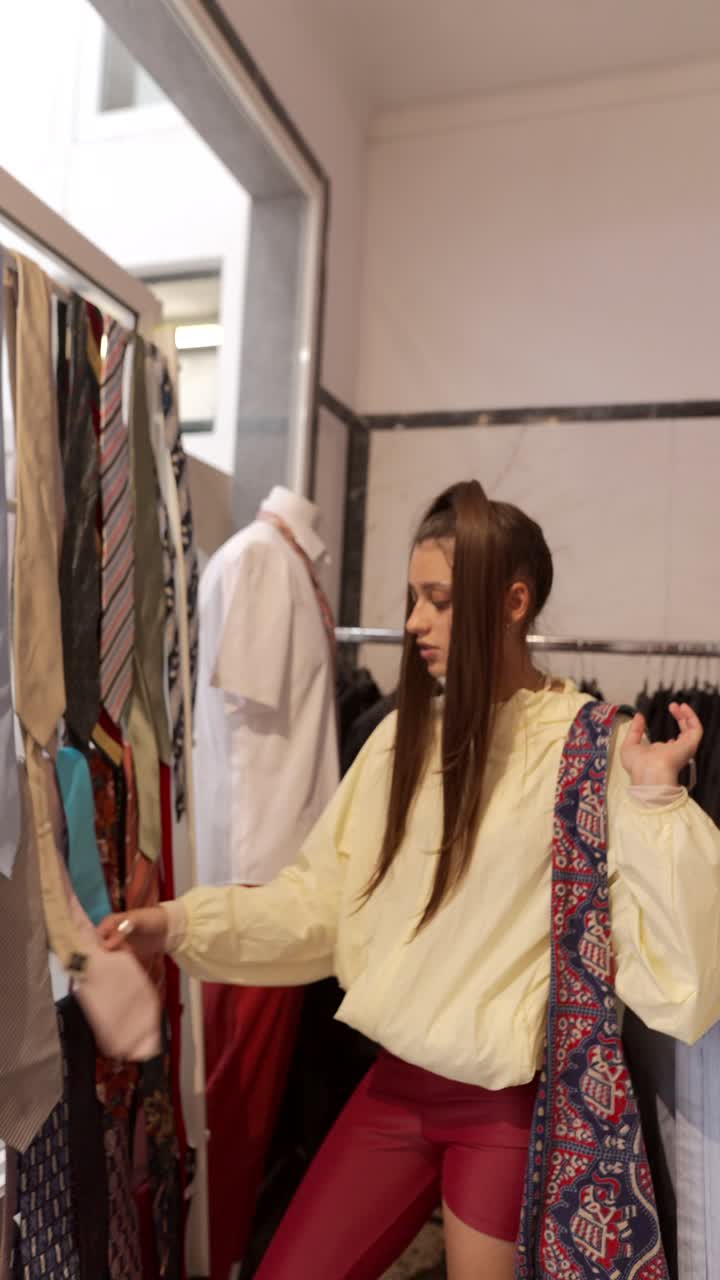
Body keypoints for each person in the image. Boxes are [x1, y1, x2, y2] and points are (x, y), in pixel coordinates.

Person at [100, 481, 720, 1280]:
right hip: (393, 1086)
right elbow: (320, 904)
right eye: (414, 598)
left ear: (514, 602)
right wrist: (177, 924)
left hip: (502, 1107)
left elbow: (681, 975)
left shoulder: (592, 744)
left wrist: (657, 798)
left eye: (440, 600)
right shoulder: (403, 739)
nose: (415, 622)